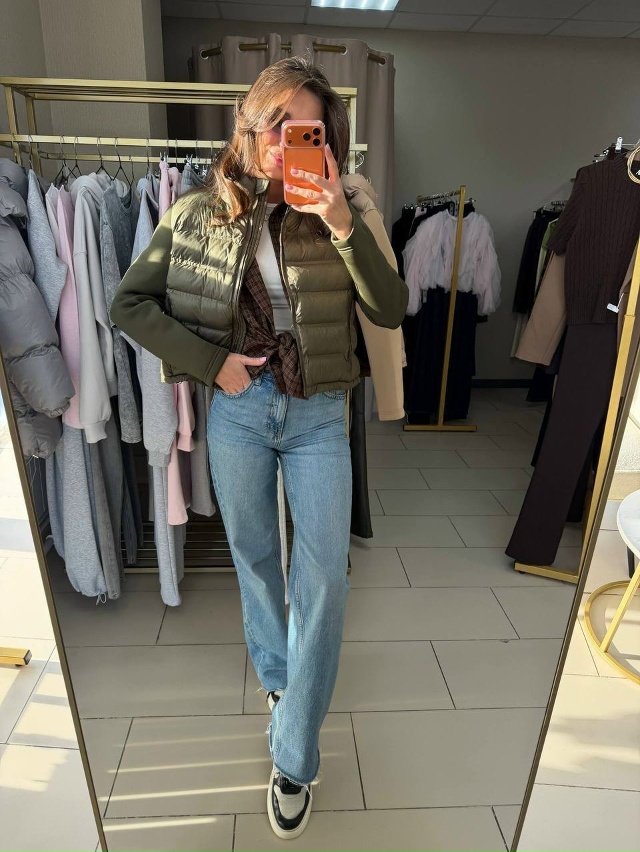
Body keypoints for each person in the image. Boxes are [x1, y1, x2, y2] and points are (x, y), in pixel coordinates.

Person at [111, 57, 408, 840]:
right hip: (241, 412)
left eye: (304, 128)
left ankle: (294, 753)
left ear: (327, 138)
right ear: (249, 128)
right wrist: (211, 364)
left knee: (325, 580)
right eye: (275, 124)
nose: (286, 142)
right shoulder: (197, 213)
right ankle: (280, 680)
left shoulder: (347, 208)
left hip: (319, 415)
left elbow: (390, 306)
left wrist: (341, 222)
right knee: (254, 560)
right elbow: (128, 304)